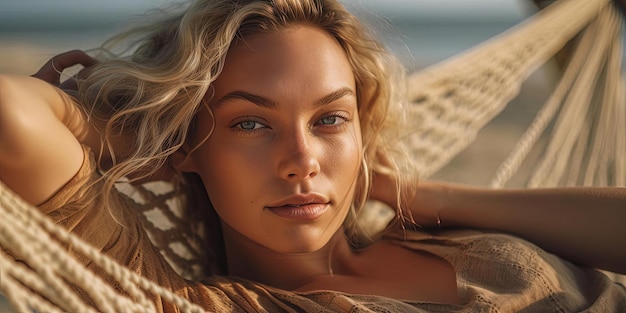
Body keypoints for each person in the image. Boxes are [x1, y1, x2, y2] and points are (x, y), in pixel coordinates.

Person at [1, 0, 625, 311]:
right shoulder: (198, 302)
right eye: (250, 122)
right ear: (185, 144)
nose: (301, 158)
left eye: (329, 119)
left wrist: (421, 196)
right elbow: (11, 117)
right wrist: (131, 131)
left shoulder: (439, 231)